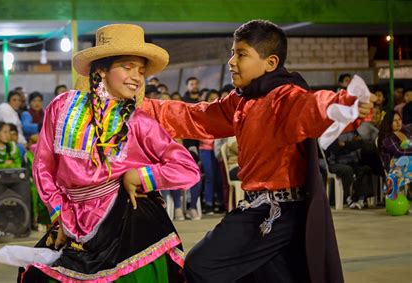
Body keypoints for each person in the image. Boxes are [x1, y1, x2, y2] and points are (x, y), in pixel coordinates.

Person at [142, 19, 376, 282]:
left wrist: (347, 105)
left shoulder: (283, 98)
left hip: (276, 213)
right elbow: (196, 116)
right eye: (232, 52)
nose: (231, 61)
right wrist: (141, 106)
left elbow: (312, 107)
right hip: (259, 208)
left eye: (241, 54)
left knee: (200, 265)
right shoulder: (241, 101)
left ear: (271, 63)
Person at [16, 24, 200, 282]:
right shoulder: (62, 107)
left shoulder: (140, 124)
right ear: (101, 68)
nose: (136, 76)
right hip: (71, 218)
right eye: (127, 66)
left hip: (127, 222)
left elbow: (187, 169)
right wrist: (60, 216)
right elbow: (43, 167)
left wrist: (140, 176)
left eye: (141, 70)